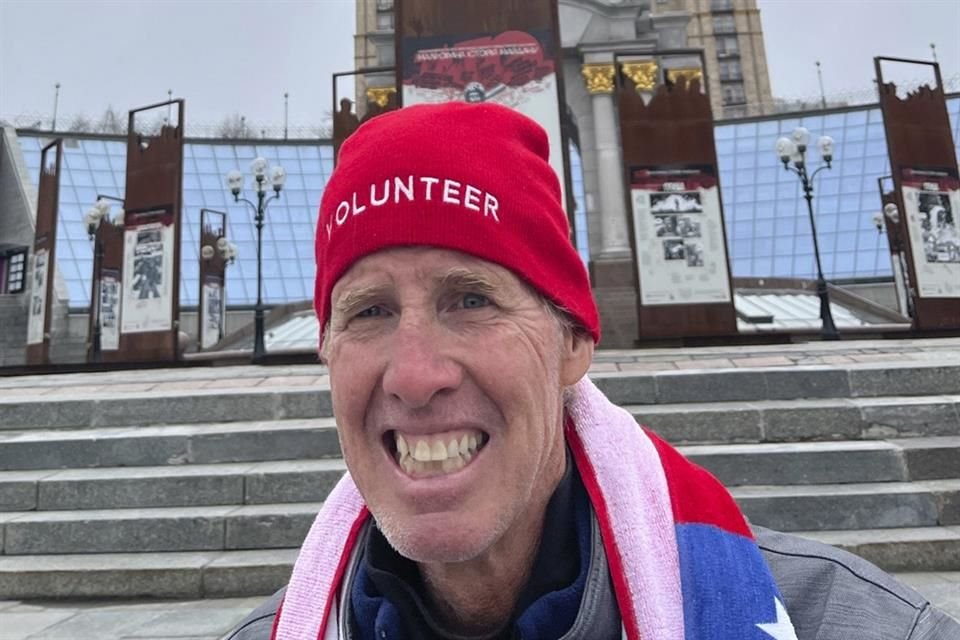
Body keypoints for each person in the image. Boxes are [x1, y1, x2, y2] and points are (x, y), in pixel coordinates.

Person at [227, 102, 958, 640]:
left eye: (472, 299)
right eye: (368, 312)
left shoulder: (845, 622)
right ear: (326, 349)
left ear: (573, 339)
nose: (415, 376)